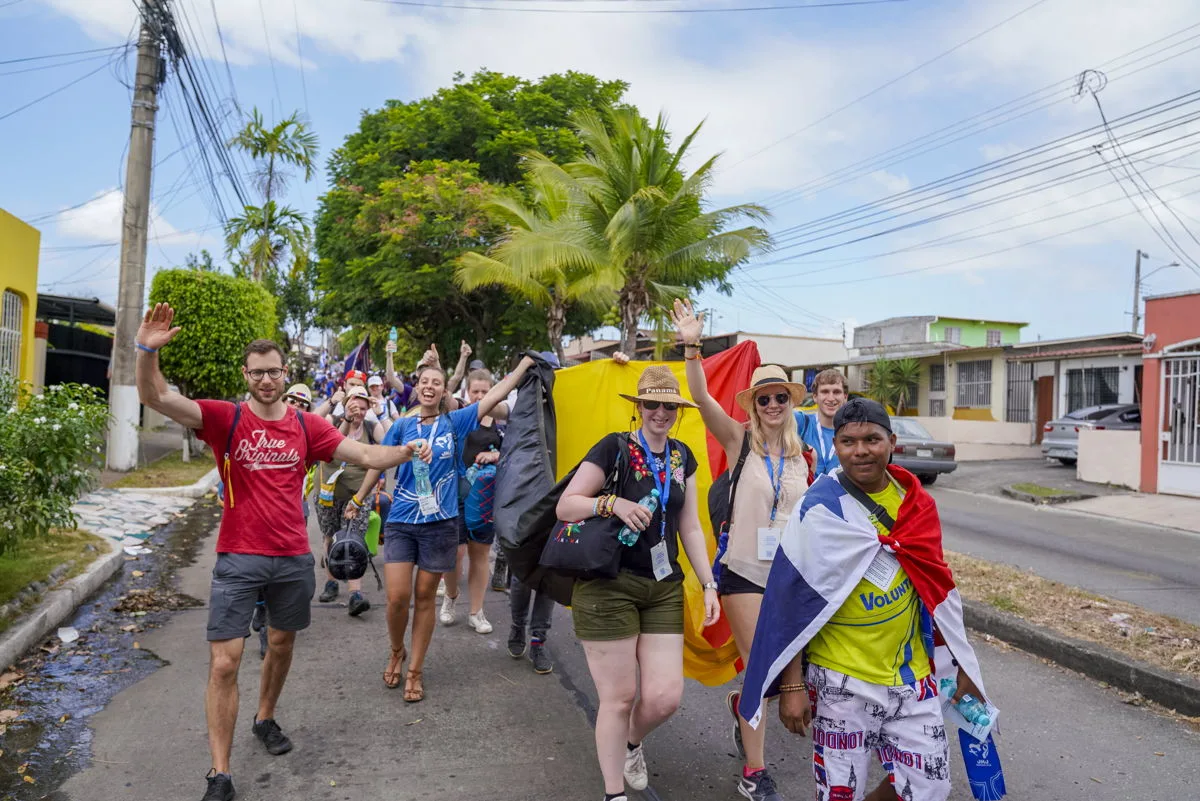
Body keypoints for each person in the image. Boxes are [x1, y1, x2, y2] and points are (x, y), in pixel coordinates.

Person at [133, 303, 427, 801]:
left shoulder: (308, 426)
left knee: (282, 645)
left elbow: (364, 455)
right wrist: (145, 352)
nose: (266, 380)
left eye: (274, 372)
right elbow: (156, 395)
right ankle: (220, 774)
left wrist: (406, 450)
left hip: (291, 556)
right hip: (238, 556)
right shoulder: (225, 419)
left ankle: (264, 717)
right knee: (225, 663)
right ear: (246, 376)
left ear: (284, 373)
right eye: (258, 373)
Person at [739, 398, 993, 801]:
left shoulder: (917, 504)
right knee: (841, 793)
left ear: (891, 442)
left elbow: (937, 589)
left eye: (872, 439)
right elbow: (789, 604)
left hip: (913, 678)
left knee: (930, 787)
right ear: (834, 445)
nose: (860, 451)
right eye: (848, 441)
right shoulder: (818, 508)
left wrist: (962, 663)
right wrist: (791, 686)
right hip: (841, 683)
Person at [557, 366, 721, 801]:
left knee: (665, 696)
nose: (660, 412)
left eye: (669, 405)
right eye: (652, 403)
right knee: (619, 696)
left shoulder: (683, 456)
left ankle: (630, 742)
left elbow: (688, 528)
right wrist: (612, 503)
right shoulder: (614, 447)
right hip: (608, 584)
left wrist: (708, 584)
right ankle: (614, 794)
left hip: (662, 584)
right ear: (639, 406)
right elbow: (566, 506)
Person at [673, 300, 808, 801]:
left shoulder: (800, 458)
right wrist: (692, 344)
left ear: (790, 404)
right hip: (744, 572)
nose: (773, 406)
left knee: (786, 667)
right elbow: (701, 397)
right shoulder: (739, 442)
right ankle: (755, 772)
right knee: (760, 665)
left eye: (780, 399)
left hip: (789, 575)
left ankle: (741, 708)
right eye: (765, 399)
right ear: (753, 405)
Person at [356, 355, 536, 702]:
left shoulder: (456, 421)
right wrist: (358, 498)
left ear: (444, 390)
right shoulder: (401, 426)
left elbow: (495, 394)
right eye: (424, 381)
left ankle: (415, 671)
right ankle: (397, 650)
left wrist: (523, 366)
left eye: (436, 383)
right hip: (402, 522)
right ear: (417, 387)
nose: (429, 386)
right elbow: (377, 461)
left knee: (425, 598)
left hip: (440, 525)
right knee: (396, 598)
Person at [441, 368, 504, 632]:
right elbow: (442, 397)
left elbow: (514, 454)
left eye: (485, 391)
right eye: (474, 391)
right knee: (454, 553)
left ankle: (476, 611)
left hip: (485, 497)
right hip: (454, 495)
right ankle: (451, 595)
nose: (479, 396)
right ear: (466, 392)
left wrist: (496, 456)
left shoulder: (502, 425)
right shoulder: (460, 416)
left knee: (480, 554)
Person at [315, 386, 383, 616]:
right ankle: (332, 582)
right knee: (330, 535)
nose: (359, 412)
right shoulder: (332, 420)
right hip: (328, 493)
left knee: (356, 539)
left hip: (358, 494)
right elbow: (332, 445)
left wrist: (381, 414)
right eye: (355, 406)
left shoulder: (372, 427)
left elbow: (386, 449)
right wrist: (345, 416)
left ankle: (355, 594)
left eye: (364, 408)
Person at [795, 368, 849, 476]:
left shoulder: (853, 432)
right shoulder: (802, 422)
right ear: (815, 396)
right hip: (806, 492)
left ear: (845, 397)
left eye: (836, 392)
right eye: (825, 392)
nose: (831, 398)